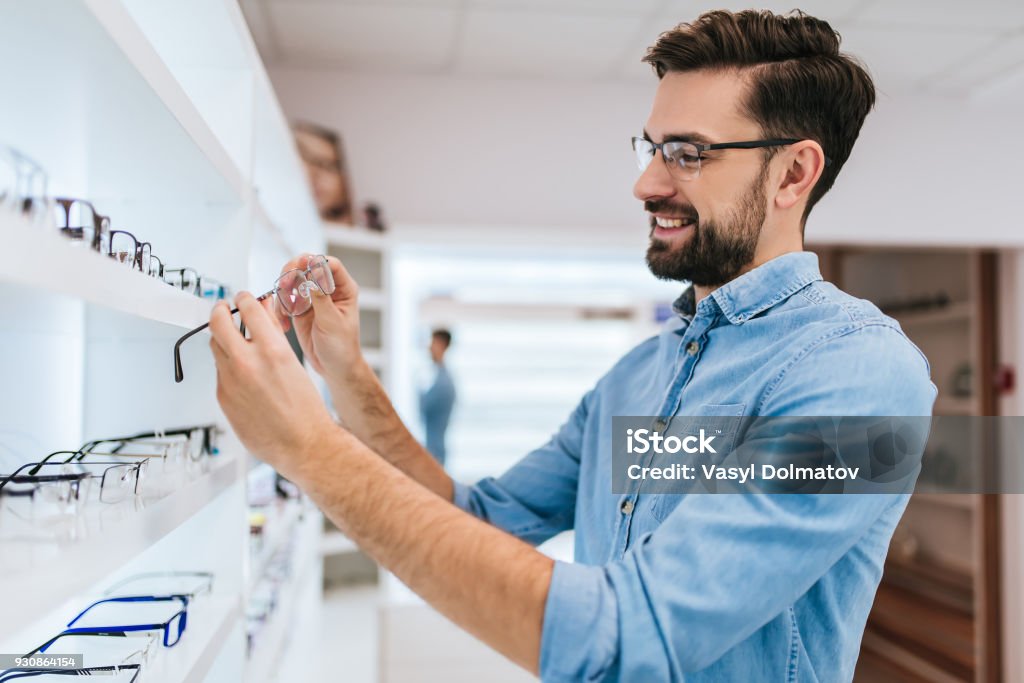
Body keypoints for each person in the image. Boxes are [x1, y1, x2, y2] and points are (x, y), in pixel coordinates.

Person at [208, 10, 935, 681]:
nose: (646, 183)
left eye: (686, 153)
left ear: (793, 173)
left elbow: (628, 637)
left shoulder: (865, 376)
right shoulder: (638, 377)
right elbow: (478, 516)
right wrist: (346, 371)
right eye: (652, 148)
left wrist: (309, 448)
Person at [419, 329, 456, 466]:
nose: (429, 347)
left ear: (441, 345)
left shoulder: (444, 382)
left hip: (435, 452)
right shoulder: (438, 377)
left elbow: (425, 407)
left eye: (432, 342)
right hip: (433, 450)